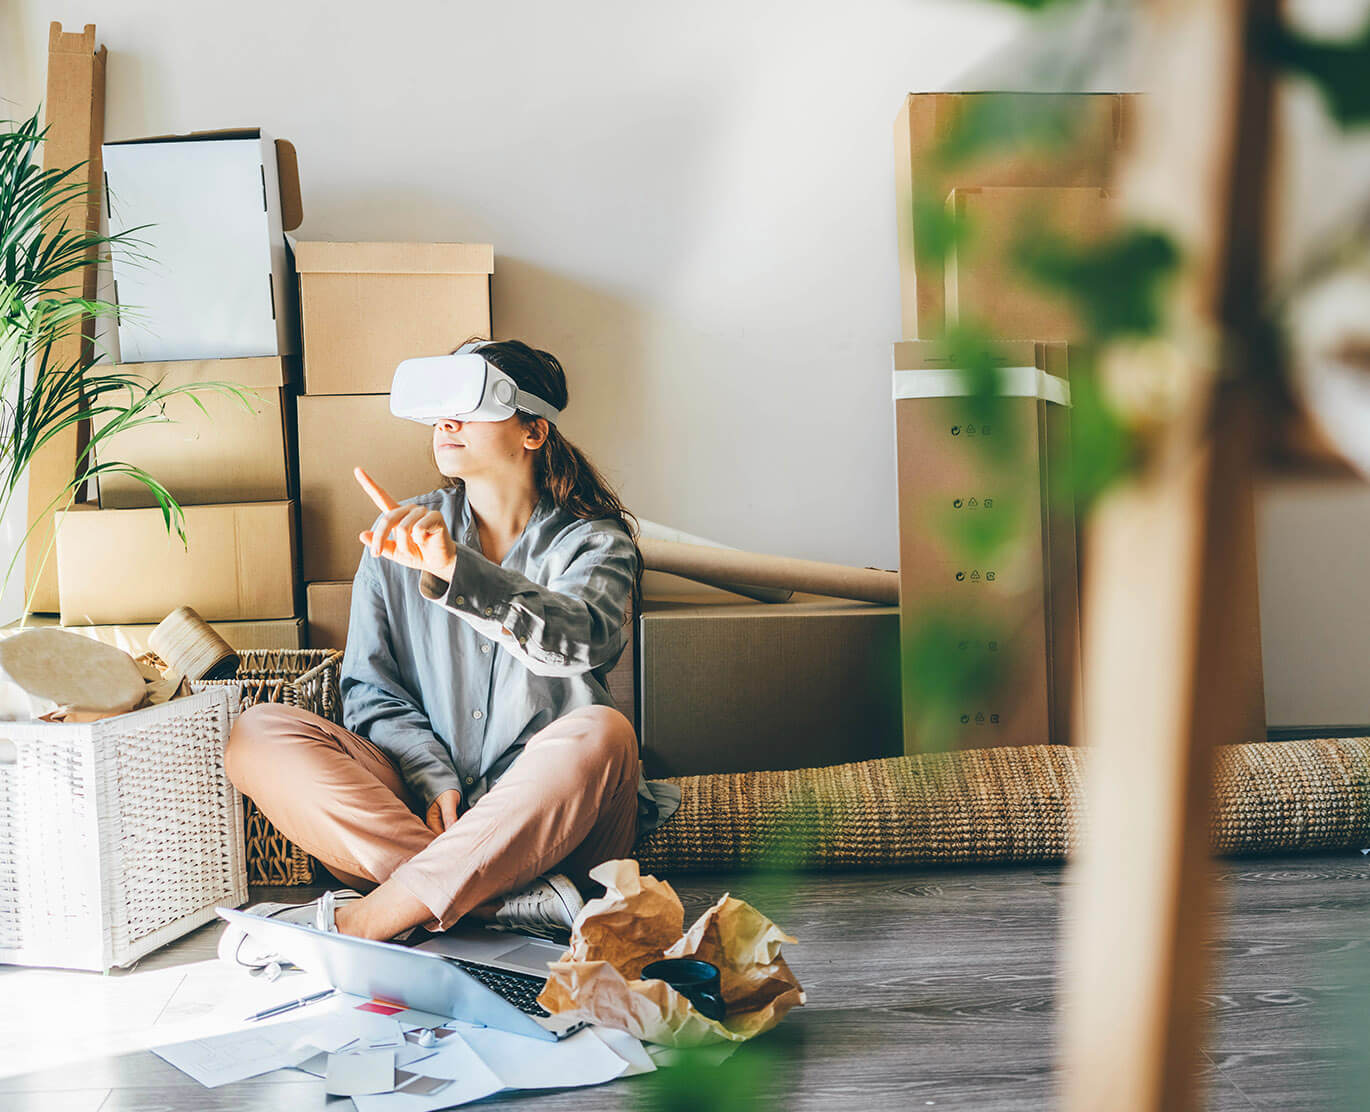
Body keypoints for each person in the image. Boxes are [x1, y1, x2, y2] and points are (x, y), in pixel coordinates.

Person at [222, 339, 678, 946]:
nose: (446, 422)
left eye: (471, 405)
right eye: (442, 408)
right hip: (422, 816)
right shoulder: (398, 534)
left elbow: (582, 639)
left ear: (534, 431)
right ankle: (500, 906)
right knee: (258, 733)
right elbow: (370, 690)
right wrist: (433, 777)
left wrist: (457, 572)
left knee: (605, 733)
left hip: (556, 830)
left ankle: (370, 919)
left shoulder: (594, 542)